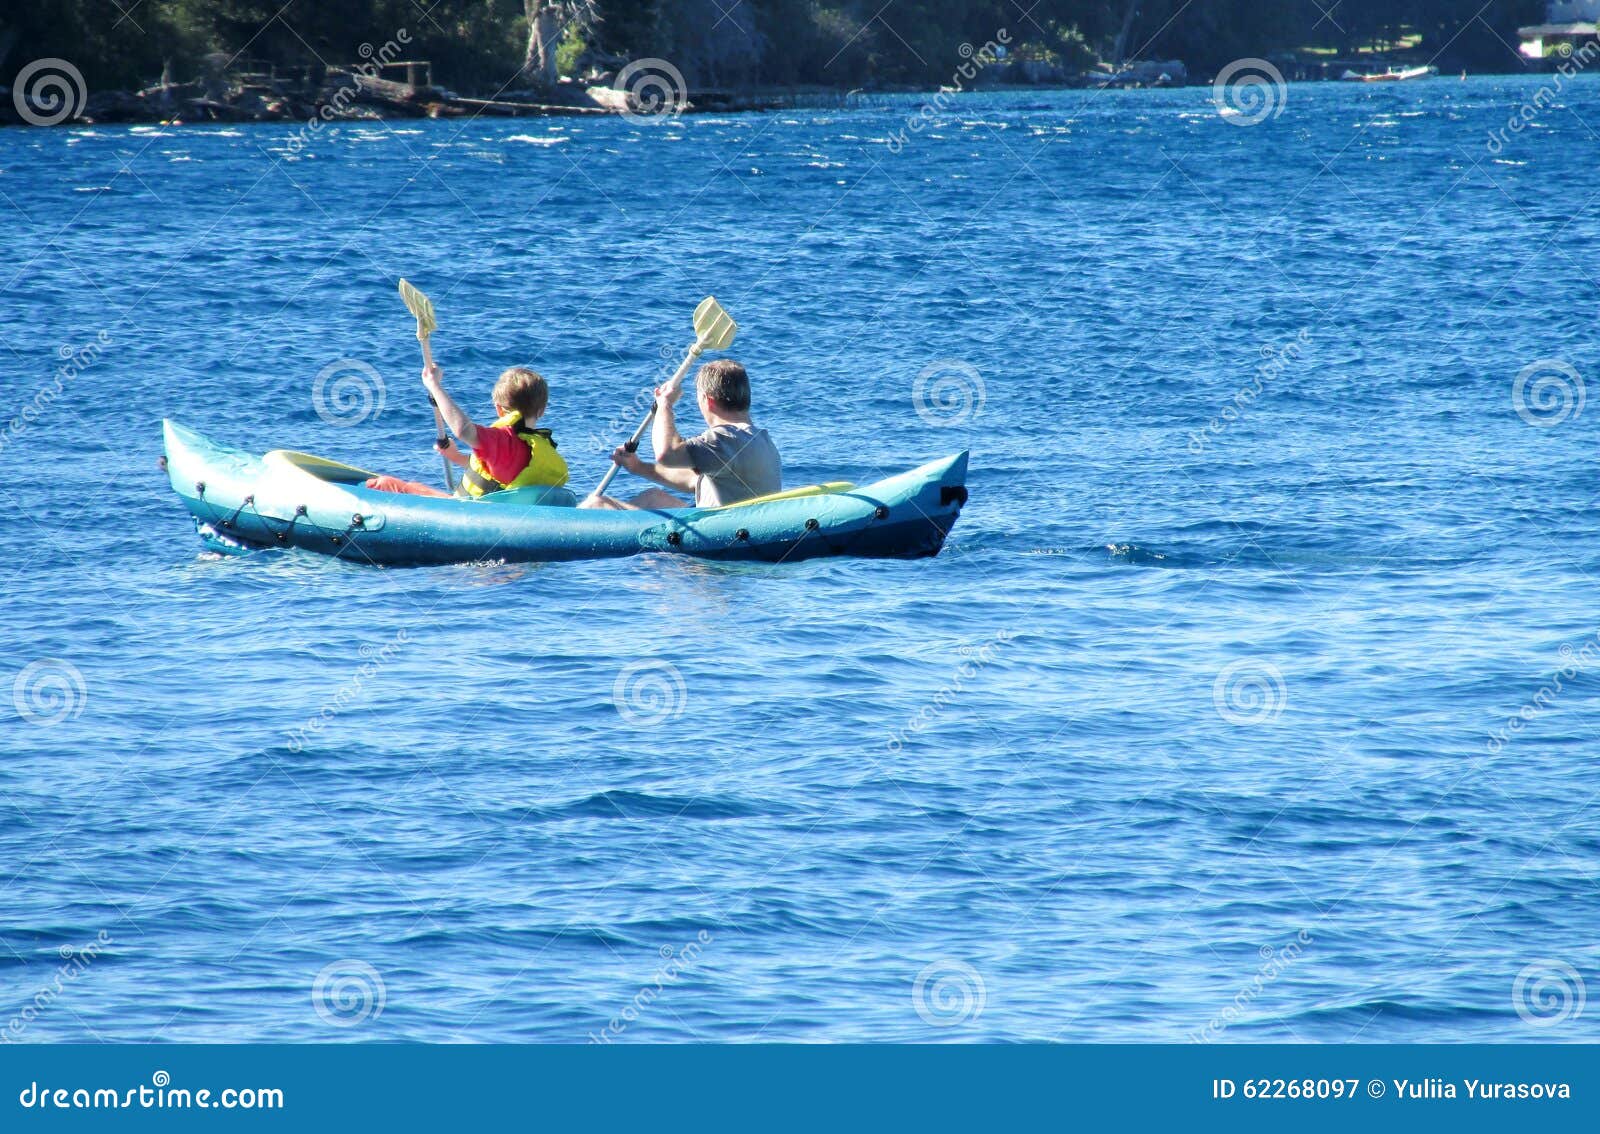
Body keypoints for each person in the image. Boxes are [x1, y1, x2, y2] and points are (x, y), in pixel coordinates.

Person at [581, 359, 780, 510]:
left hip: (720, 538)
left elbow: (666, 453)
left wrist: (664, 405)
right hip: (737, 525)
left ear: (708, 401)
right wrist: (638, 467)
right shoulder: (761, 439)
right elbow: (696, 481)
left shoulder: (722, 439)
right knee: (654, 497)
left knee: (596, 503)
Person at [365, 362, 568, 498]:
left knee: (384, 484)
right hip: (500, 518)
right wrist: (456, 457)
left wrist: (434, 385)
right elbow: (500, 474)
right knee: (416, 485)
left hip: (470, 516)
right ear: (542, 410)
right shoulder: (540, 450)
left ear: (498, 408)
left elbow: (462, 430)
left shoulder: (501, 440)